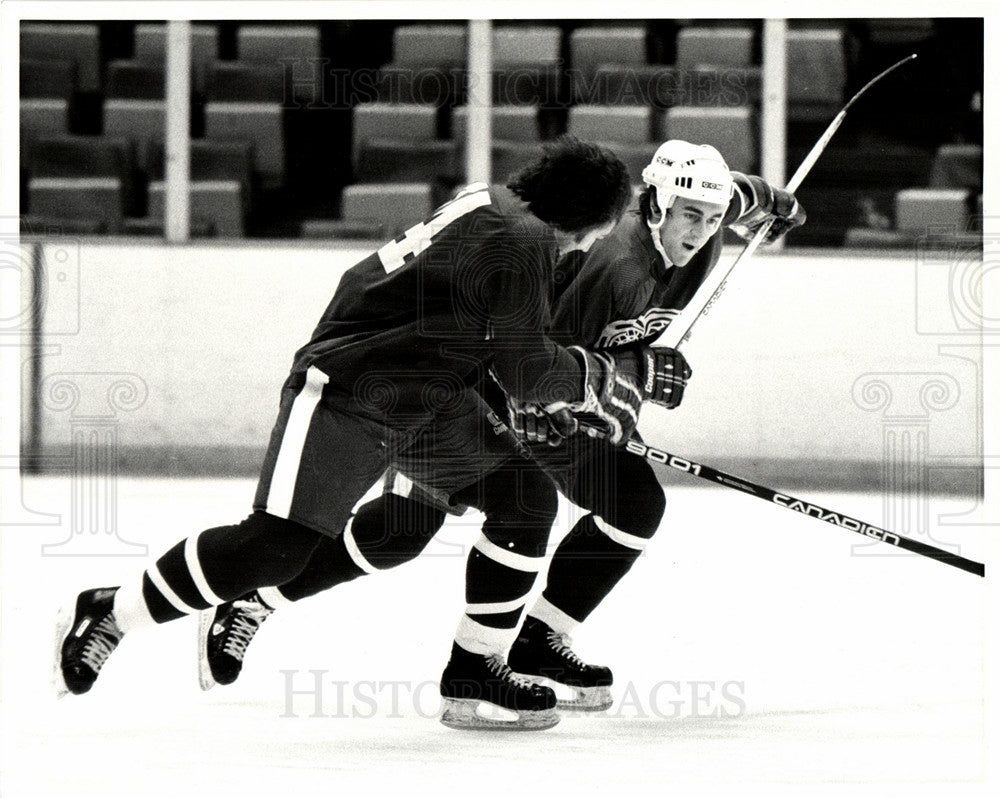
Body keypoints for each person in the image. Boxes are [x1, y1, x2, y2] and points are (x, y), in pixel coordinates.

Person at [197, 141, 806, 726]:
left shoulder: (702, 224)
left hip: (530, 390)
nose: (700, 231)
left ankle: (533, 643)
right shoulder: (614, 267)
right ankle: (257, 600)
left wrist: (771, 200)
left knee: (618, 503)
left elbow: (738, 198)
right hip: (484, 393)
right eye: (689, 216)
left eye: (714, 218)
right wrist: (614, 393)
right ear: (655, 205)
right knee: (408, 530)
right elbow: (535, 367)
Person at [55, 136, 647, 733]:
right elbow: (527, 369)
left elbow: (473, 330)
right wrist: (600, 378)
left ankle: (475, 671)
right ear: (578, 217)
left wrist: (538, 388)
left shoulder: (491, 202)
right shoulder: (524, 243)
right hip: (354, 388)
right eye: (595, 232)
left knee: (522, 500)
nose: (590, 246)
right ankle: (111, 611)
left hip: (429, 394)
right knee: (275, 549)